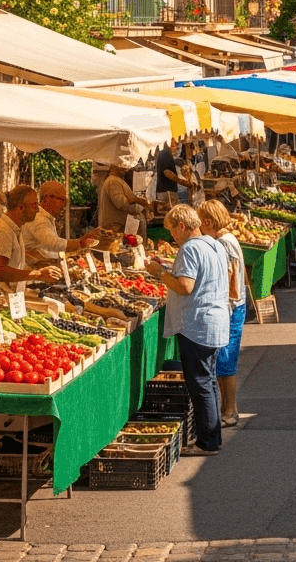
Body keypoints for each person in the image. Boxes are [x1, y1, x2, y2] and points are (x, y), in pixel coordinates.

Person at [145, 205, 229, 455]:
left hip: (197, 324)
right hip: (214, 321)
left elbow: (184, 286)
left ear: (182, 226)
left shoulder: (190, 248)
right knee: (209, 380)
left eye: (172, 230)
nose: (172, 235)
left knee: (200, 383)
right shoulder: (213, 244)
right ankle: (212, 437)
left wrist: (160, 272)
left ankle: (207, 443)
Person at [198, 200, 246, 429]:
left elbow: (229, 279)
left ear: (207, 222)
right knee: (225, 361)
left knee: (226, 362)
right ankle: (230, 408)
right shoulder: (229, 239)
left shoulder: (223, 243)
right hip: (234, 305)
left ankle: (229, 410)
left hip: (231, 307)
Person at [0, 186, 61, 308]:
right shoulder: (3, 231)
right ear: (20, 208)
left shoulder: (15, 229)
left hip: (8, 301)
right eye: (34, 205)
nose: (37, 210)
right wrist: (37, 274)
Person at [22, 181, 98, 262]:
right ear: (48, 198)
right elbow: (53, 243)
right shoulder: (38, 218)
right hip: (36, 270)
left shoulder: (45, 217)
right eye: (63, 199)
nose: (65, 204)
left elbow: (50, 249)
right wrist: (80, 243)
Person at [97, 163, 151, 236]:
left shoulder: (117, 180)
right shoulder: (113, 181)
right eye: (121, 165)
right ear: (113, 166)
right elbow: (122, 203)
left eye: (125, 165)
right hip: (117, 227)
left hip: (122, 226)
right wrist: (139, 200)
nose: (125, 168)